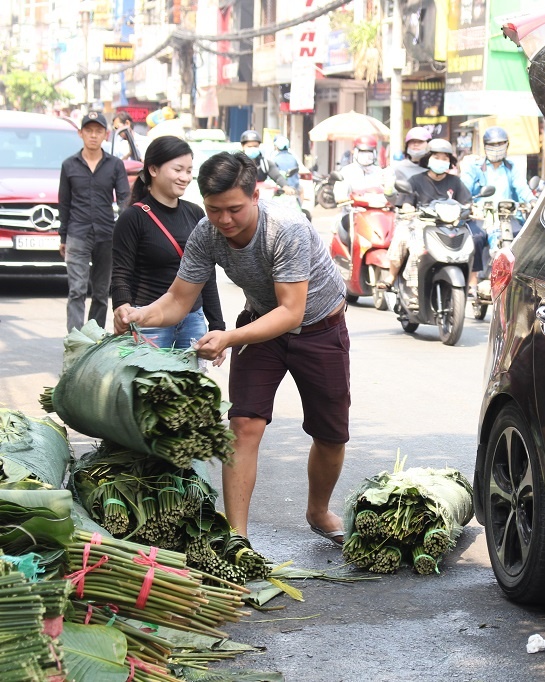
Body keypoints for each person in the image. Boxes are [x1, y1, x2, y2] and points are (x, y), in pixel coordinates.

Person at [114, 151, 351, 544]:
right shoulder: (206, 234)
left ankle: (318, 510)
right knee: (243, 425)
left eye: (234, 209)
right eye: (213, 209)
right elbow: (177, 301)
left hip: (319, 328)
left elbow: (291, 313)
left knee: (330, 436)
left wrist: (227, 336)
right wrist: (137, 314)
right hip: (260, 324)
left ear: (255, 195)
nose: (224, 220)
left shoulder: (285, 228)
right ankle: (236, 538)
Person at [110, 136, 226, 349]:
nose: (185, 177)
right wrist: (122, 308)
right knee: (150, 382)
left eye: (189, 171)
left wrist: (217, 325)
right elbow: (121, 273)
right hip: (148, 322)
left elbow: (206, 275)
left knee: (189, 383)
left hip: (193, 321)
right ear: (153, 170)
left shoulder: (196, 213)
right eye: (178, 169)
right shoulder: (133, 217)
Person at [59, 110, 131, 333]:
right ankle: (75, 339)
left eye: (98, 131)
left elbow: (124, 199)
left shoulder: (115, 165)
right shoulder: (69, 165)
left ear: (106, 134)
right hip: (77, 234)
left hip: (106, 235)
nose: (93, 135)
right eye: (88, 131)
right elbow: (64, 203)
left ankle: (93, 338)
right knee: (77, 290)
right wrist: (63, 237)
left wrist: (125, 234)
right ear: (81, 133)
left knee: (101, 293)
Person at [380, 138, 471, 289]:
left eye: (445, 158)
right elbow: (407, 202)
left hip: (449, 228)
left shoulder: (455, 182)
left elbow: (466, 202)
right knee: (406, 239)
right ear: (428, 158)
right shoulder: (416, 180)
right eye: (436, 157)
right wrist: (408, 208)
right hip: (419, 225)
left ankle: (469, 284)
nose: (440, 161)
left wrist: (472, 209)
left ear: (450, 162)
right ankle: (392, 276)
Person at [460, 127, 536, 294]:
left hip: (508, 215)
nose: (497, 147)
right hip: (481, 215)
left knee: (523, 240)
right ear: (485, 146)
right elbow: (464, 189)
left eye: (500, 143)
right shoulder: (475, 167)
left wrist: (532, 201)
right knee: (475, 239)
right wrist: (469, 204)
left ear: (507, 145)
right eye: (492, 144)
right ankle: (473, 280)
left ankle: (518, 282)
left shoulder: (512, 167)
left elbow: (521, 187)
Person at [240, 130, 295, 194]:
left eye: (255, 146)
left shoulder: (264, 164)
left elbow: (277, 176)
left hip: (260, 196)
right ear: (242, 146)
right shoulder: (236, 163)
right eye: (249, 146)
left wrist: (285, 186)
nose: (253, 149)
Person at [387, 127, 431, 206]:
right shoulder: (398, 168)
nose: (416, 144)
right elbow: (392, 198)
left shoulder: (434, 168)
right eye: (412, 141)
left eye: (420, 141)